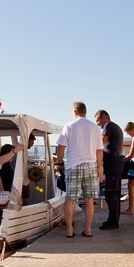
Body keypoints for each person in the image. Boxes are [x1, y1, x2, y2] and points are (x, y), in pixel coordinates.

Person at [55, 101, 104, 238]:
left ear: (74, 112)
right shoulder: (95, 127)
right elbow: (99, 150)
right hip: (90, 165)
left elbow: (61, 146)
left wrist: (59, 162)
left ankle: (70, 231)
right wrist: (99, 167)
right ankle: (87, 230)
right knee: (89, 200)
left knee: (70, 200)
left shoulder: (69, 126)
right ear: (85, 111)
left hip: (73, 165)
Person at [95, 109, 124, 230]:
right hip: (115, 163)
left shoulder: (109, 125)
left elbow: (101, 142)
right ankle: (113, 220)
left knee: (110, 193)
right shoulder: (115, 127)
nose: (98, 124)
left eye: (98, 120)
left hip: (112, 163)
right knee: (114, 193)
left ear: (105, 117)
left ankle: (112, 221)